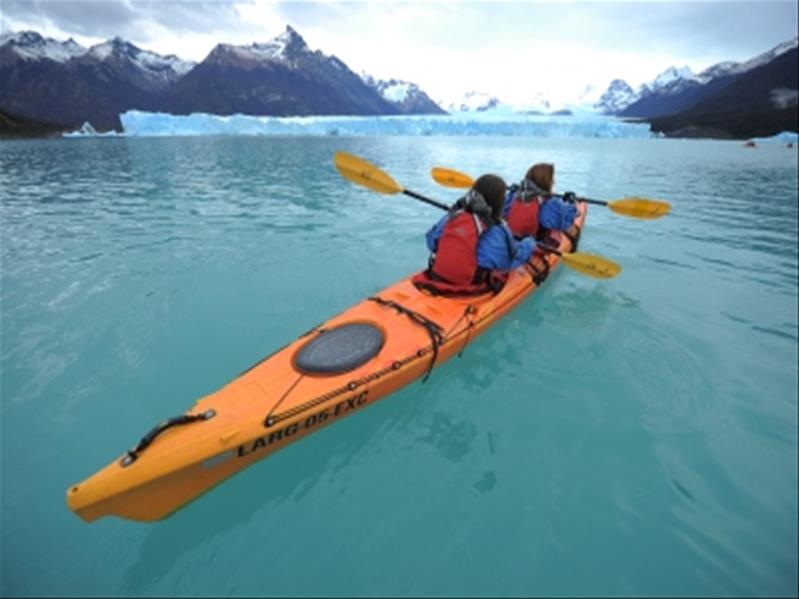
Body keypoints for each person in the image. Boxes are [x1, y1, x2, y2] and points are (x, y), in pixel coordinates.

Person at [412, 174, 535, 296]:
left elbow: (431, 242)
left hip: (437, 277)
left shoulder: (453, 216)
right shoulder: (499, 230)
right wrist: (529, 242)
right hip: (469, 288)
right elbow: (510, 262)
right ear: (499, 202)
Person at [503, 163, 580, 248]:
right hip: (533, 246)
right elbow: (567, 221)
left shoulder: (514, 196)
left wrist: (512, 191)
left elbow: (503, 212)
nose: (554, 182)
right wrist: (571, 202)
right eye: (552, 179)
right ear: (546, 182)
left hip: (510, 241)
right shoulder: (549, 204)